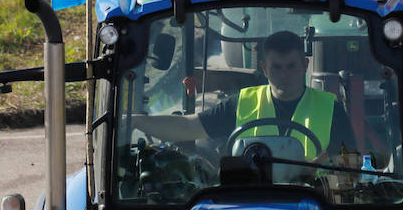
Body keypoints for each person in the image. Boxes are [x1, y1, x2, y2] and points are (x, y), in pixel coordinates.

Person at [131, 31, 357, 161]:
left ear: (305, 65)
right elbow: (187, 127)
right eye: (277, 67)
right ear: (264, 68)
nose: (284, 75)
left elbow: (350, 164)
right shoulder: (242, 103)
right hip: (249, 204)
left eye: (291, 66)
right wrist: (134, 121)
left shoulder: (331, 108)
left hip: (314, 206)